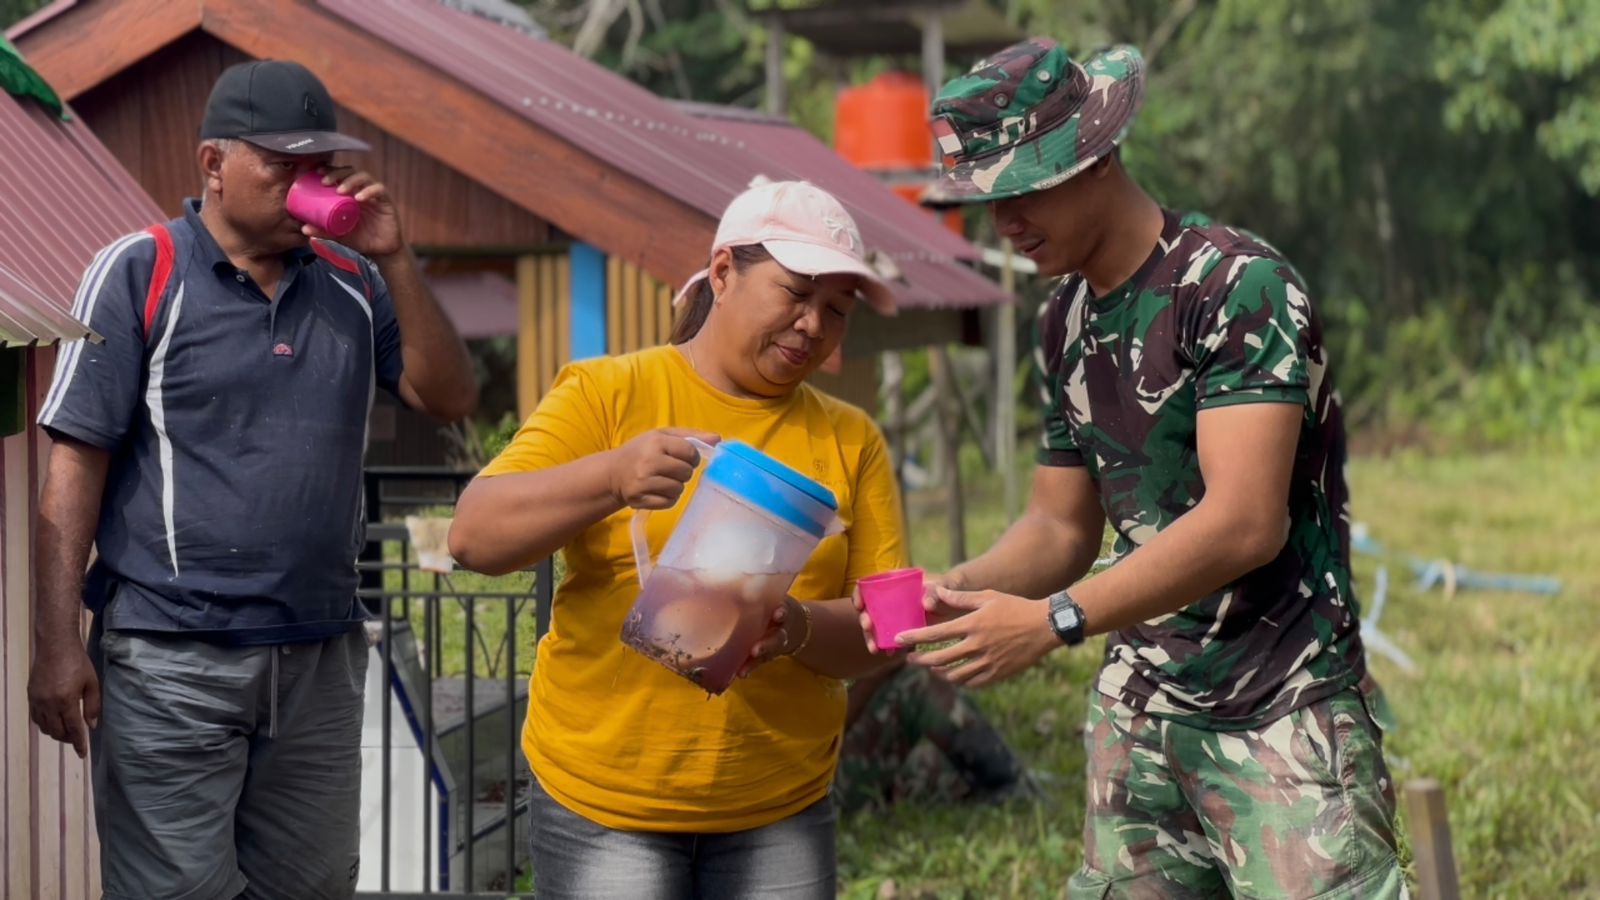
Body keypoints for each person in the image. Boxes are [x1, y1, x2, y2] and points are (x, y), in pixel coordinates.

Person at [858, 38, 1405, 898]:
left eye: (1025, 188)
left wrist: (1055, 622)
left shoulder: (1233, 285)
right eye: (987, 203)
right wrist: (954, 591)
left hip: (1279, 700)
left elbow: (1243, 523)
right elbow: (1061, 526)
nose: (1004, 224)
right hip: (1142, 702)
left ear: (1099, 154)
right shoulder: (1063, 318)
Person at [28, 59, 476, 900]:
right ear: (213, 164)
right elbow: (74, 461)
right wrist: (56, 643)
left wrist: (399, 256)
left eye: (319, 167)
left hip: (318, 653)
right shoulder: (140, 270)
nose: (306, 184)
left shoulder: (354, 283)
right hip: (169, 657)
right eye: (283, 165)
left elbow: (446, 396)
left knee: (312, 888)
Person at [448, 177, 909, 899]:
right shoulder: (609, 394)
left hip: (777, 806)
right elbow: (474, 535)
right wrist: (612, 477)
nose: (813, 326)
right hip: (606, 802)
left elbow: (885, 633)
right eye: (795, 293)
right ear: (723, 272)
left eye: (836, 310)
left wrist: (792, 628)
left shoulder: (852, 440)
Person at [834, 657, 1029, 813]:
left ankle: (1012, 778)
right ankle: (1015, 787)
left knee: (941, 764)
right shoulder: (804, 627)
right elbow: (827, 736)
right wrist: (874, 677)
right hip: (822, 787)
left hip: (827, 777)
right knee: (916, 682)